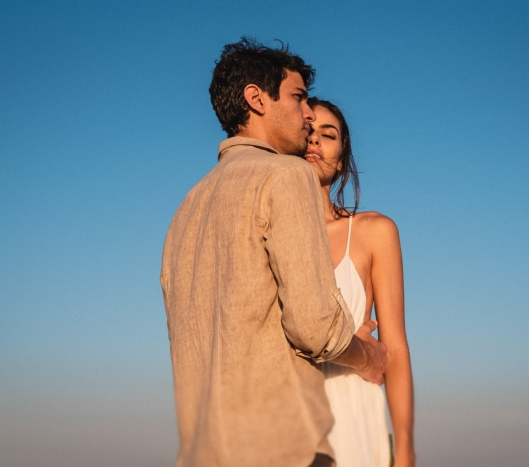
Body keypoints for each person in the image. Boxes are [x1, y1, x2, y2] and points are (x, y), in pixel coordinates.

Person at [160, 38, 388, 467]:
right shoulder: (285, 176)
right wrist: (367, 356)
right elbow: (314, 325)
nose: (307, 113)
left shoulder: (187, 207)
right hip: (282, 448)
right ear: (256, 99)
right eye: (298, 97)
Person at [304, 97, 415, 467]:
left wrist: (404, 450)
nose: (315, 140)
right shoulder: (264, 236)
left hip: (353, 413)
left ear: (342, 151)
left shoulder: (373, 231)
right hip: (284, 420)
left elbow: (395, 348)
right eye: (307, 130)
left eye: (328, 134)